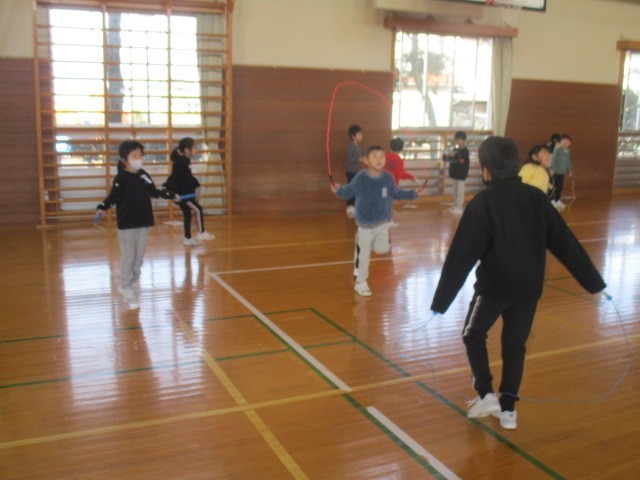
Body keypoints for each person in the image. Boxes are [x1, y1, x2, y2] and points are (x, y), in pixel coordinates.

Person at [430, 136, 606, 430]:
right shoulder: (537, 198)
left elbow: (461, 256)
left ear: (486, 170)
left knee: (473, 334)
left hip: (494, 288)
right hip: (529, 288)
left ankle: (486, 394)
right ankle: (509, 410)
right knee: (515, 346)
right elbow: (565, 243)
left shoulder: (483, 203)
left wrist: (440, 303)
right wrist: (594, 282)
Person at [97, 140, 180, 308]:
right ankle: (125, 285)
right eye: (134, 156)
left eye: (140, 155)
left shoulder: (143, 175)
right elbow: (113, 197)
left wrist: (171, 195)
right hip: (127, 223)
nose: (138, 159)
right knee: (129, 255)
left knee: (139, 255)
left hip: (143, 221)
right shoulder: (121, 178)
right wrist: (102, 207)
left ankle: (133, 281)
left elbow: (154, 191)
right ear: (124, 159)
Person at [332, 145, 419, 297]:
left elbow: (396, 193)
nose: (379, 160)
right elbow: (348, 192)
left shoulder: (387, 178)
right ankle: (360, 282)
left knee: (383, 249)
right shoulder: (361, 177)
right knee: (364, 255)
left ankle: (363, 246)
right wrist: (338, 190)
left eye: (382, 156)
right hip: (364, 224)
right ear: (366, 161)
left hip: (382, 222)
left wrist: (412, 194)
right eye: (374, 156)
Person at [164, 137, 215, 246]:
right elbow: (176, 178)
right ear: (187, 150)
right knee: (198, 209)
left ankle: (188, 238)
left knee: (188, 215)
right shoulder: (181, 161)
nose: (197, 149)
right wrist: (174, 193)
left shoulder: (184, 160)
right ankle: (201, 232)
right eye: (195, 147)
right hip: (183, 196)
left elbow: (188, 177)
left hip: (186, 194)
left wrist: (194, 188)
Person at [384, 137, 422, 227]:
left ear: (390, 146)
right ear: (401, 149)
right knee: (389, 202)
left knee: (384, 201)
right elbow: (401, 174)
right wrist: (412, 177)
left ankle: (383, 220)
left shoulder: (384, 156)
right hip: (392, 185)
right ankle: (388, 221)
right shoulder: (398, 160)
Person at [443, 131, 470, 215]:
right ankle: (456, 205)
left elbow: (459, 159)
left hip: (461, 175)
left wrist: (453, 156)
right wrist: (446, 156)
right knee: (455, 191)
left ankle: (459, 207)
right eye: (456, 140)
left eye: (458, 140)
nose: (457, 142)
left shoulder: (465, 151)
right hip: (454, 174)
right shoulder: (455, 149)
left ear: (464, 140)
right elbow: (449, 159)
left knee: (460, 192)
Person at [345, 125, 364, 217]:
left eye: (361, 134)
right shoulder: (352, 146)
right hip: (351, 172)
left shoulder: (357, 147)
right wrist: (359, 159)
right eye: (359, 134)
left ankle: (353, 208)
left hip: (356, 172)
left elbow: (361, 155)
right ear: (353, 136)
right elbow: (349, 158)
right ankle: (350, 208)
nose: (361, 136)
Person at [550, 134, 573, 210]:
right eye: (563, 141)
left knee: (559, 187)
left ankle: (557, 200)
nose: (565, 143)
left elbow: (568, 161)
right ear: (560, 142)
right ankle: (552, 201)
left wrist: (570, 170)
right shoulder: (557, 149)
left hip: (561, 173)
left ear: (570, 143)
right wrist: (551, 168)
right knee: (553, 187)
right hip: (555, 172)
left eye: (567, 141)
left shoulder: (568, 151)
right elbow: (553, 159)